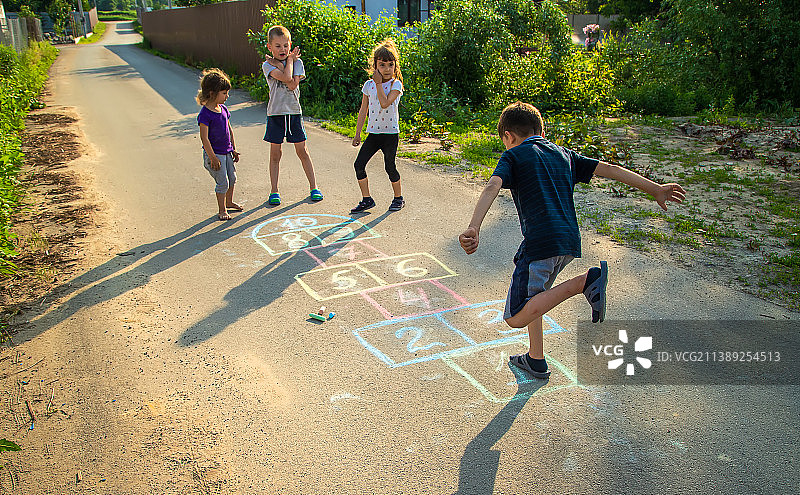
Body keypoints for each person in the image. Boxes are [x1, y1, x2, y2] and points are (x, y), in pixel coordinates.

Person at [459, 102, 686, 378]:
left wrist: (474, 227)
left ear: (508, 136)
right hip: (567, 241)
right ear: (542, 131)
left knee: (515, 317)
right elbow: (611, 169)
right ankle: (535, 358)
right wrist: (655, 189)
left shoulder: (514, 155)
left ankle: (584, 282)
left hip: (540, 243)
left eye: (505, 141)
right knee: (537, 296)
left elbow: (493, 185)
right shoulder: (564, 154)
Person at [262, 25, 322, 205]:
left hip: (294, 113)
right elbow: (287, 77)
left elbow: (292, 84)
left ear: (290, 45)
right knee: (275, 154)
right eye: (278, 46)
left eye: (285, 45)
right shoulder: (267, 65)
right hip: (276, 114)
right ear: (269, 47)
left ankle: (314, 187)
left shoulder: (298, 63)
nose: (282, 49)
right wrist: (287, 62)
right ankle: (274, 190)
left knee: (302, 151)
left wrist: (284, 63)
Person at [350, 39, 405, 213]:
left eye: (390, 65)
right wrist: (358, 133)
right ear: (375, 66)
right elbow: (363, 109)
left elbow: (385, 103)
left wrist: (379, 83)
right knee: (359, 165)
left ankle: (398, 198)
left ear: (395, 66)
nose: (387, 69)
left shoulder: (396, 84)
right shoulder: (368, 85)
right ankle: (367, 199)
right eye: (382, 65)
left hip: (390, 134)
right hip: (373, 134)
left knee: (390, 167)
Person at [197, 68, 241, 221]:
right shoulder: (205, 114)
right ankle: (222, 210)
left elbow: (229, 129)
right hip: (215, 154)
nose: (227, 96)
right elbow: (204, 138)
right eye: (224, 93)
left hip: (226, 151)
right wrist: (212, 157)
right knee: (223, 182)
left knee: (232, 178)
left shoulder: (223, 109)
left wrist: (233, 149)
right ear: (212, 93)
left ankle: (229, 202)